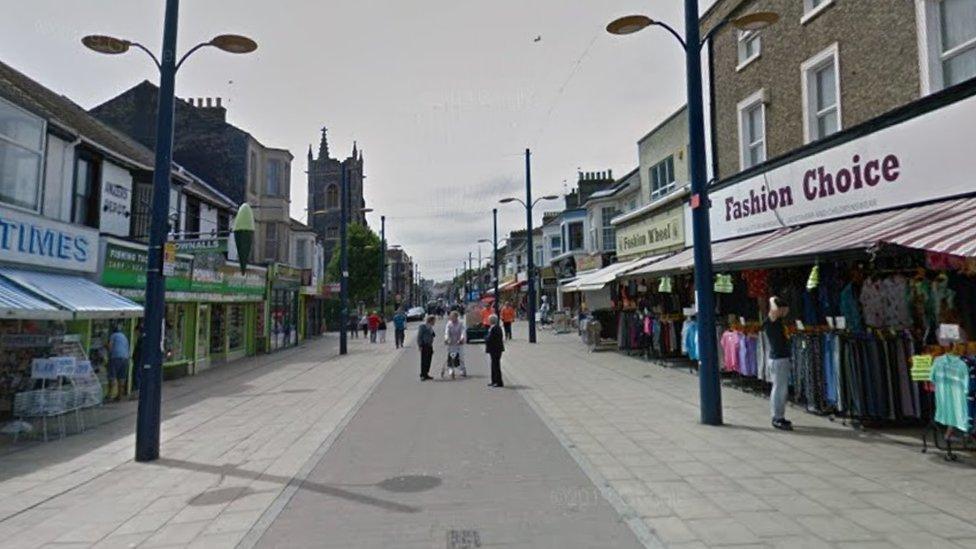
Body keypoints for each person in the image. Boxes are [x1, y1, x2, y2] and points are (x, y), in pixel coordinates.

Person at [763, 296, 794, 431]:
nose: (785, 311)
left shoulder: (779, 321)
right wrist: (772, 299)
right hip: (778, 359)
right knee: (779, 389)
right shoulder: (771, 320)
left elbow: (785, 310)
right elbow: (774, 310)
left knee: (782, 389)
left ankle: (779, 415)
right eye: (783, 308)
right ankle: (777, 417)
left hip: (782, 358)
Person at [107, 324, 130, 402]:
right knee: (121, 378)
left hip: (115, 357)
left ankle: (109, 396)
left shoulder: (113, 335)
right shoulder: (124, 337)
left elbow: (110, 346)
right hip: (125, 358)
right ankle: (119, 396)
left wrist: (108, 354)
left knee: (112, 376)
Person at [444, 310, 467, 377]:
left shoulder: (460, 323)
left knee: (461, 356)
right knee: (451, 356)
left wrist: (461, 338)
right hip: (451, 342)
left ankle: (462, 369)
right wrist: (447, 339)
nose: (452, 318)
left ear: (456, 317)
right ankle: (451, 369)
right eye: (451, 317)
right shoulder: (449, 323)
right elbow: (446, 332)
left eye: (453, 317)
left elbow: (463, 331)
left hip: (459, 342)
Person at [485, 314, 505, 387]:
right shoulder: (494, 328)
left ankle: (499, 382)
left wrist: (486, 338)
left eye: (489, 320)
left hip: (495, 349)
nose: (488, 321)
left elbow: (491, 338)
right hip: (494, 349)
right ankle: (494, 380)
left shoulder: (495, 328)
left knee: (496, 366)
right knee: (493, 365)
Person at [418, 315, 436, 381]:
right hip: (424, 345)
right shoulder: (423, 327)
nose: (435, 322)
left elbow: (433, 335)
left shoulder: (430, 327)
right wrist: (420, 345)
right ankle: (422, 375)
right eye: (434, 321)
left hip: (429, 345)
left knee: (429, 360)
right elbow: (419, 337)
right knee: (424, 361)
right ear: (430, 321)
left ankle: (426, 374)